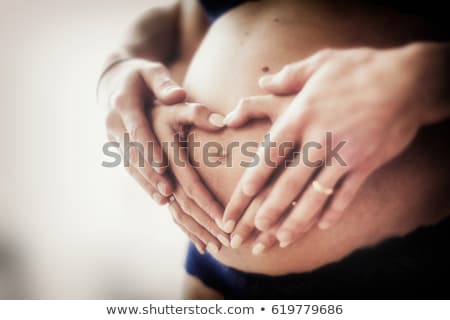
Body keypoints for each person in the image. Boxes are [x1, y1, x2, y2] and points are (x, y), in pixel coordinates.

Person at [98, 0, 450, 298]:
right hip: (211, 256)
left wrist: (413, 80)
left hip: (406, 250)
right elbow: (183, 14)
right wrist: (118, 66)